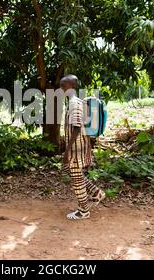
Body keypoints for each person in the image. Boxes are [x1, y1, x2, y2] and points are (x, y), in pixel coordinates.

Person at [60, 74, 105, 220]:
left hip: (76, 148)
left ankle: (83, 211)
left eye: (63, 86)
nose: (62, 89)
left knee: (76, 178)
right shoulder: (76, 102)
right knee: (74, 173)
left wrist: (67, 151)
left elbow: (77, 127)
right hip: (79, 146)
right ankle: (97, 192)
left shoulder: (74, 103)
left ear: (70, 87)